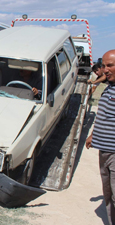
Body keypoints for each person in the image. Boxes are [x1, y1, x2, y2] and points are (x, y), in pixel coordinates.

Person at [86, 49, 115, 225]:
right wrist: (93, 134)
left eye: (109, 65)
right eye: (103, 66)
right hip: (104, 151)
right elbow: (104, 116)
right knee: (109, 195)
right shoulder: (110, 88)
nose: (105, 70)